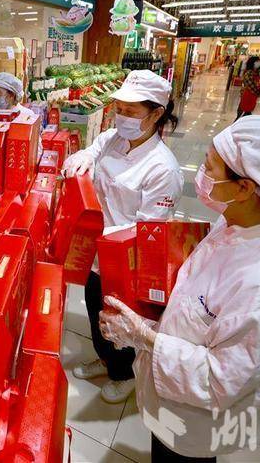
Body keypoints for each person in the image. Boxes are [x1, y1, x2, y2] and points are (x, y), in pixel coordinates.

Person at [99, 116, 260, 461]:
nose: (201, 175)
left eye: (210, 168)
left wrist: (144, 338)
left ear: (245, 188)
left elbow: (220, 380)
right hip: (172, 397)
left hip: (195, 421)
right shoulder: (241, 219)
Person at [61, 70, 183, 404]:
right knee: (94, 311)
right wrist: (86, 155)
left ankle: (124, 374)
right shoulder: (114, 138)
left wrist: (100, 233)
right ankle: (104, 360)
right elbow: (97, 147)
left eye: (131, 111)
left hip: (126, 260)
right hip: (95, 252)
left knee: (119, 322)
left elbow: (149, 231)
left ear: (156, 114)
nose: (122, 117)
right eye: (119, 109)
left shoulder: (162, 168)